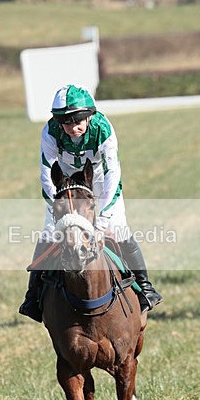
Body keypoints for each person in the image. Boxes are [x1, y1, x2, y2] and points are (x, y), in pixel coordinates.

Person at [19, 84, 163, 321]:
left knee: (117, 229)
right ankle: (32, 296)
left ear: (89, 117)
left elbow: (112, 174)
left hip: (97, 180)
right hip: (64, 183)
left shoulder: (103, 129)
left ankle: (145, 287)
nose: (73, 128)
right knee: (48, 233)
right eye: (66, 123)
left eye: (78, 122)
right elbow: (46, 172)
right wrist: (55, 206)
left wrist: (103, 219)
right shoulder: (50, 131)